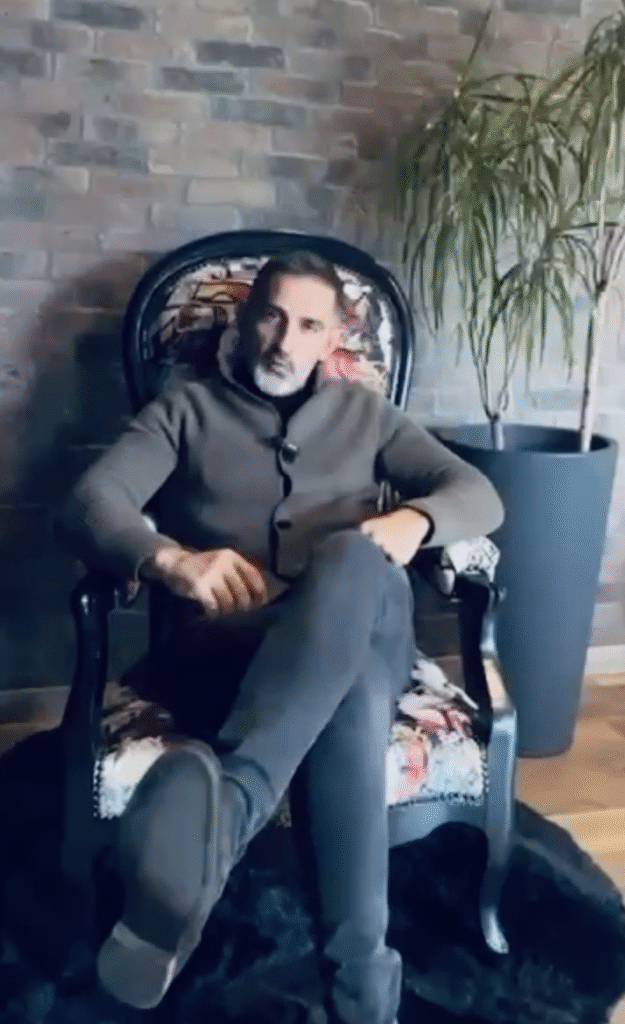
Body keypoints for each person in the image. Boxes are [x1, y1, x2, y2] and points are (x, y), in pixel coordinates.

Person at [55, 250, 504, 1024]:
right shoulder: (185, 410)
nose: (284, 339)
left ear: (331, 340)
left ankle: (225, 817)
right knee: (350, 695)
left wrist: (414, 519)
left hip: (369, 620)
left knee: (352, 559)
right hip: (234, 650)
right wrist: (172, 560)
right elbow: (91, 501)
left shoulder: (367, 415)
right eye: (271, 315)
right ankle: (365, 997)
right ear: (245, 318)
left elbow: (479, 492)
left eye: (307, 325)